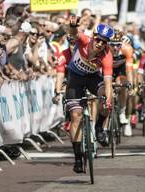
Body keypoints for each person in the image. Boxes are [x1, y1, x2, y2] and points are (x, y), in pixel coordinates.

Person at [53, 16, 114, 173]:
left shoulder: (107, 55)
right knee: (76, 115)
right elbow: (74, 33)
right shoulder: (85, 41)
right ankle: (78, 158)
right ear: (94, 37)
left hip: (93, 78)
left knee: (108, 96)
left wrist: (107, 101)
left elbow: (107, 82)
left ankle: (100, 127)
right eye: (98, 40)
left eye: (104, 42)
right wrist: (73, 25)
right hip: (75, 78)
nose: (100, 44)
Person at [108, 29, 134, 136]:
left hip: (121, 70)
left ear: (121, 44)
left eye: (118, 45)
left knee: (122, 85)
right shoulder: (104, 49)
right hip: (107, 69)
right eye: (112, 45)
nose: (115, 48)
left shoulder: (127, 49)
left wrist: (130, 86)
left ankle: (122, 112)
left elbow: (129, 70)